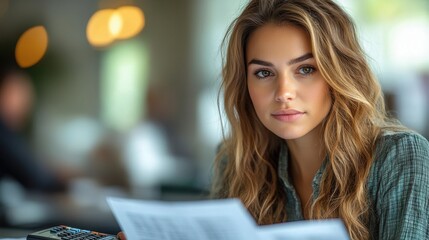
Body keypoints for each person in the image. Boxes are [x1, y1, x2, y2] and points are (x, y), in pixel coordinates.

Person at [117, 0, 429, 239]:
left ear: (339, 73)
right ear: (245, 84)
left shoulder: (401, 157)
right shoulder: (235, 162)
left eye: (305, 69)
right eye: (264, 73)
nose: (283, 92)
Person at [0, 65, 67, 193]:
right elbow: (36, 178)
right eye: (19, 95)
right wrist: (66, 179)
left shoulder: (10, 133)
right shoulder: (3, 134)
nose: (26, 103)